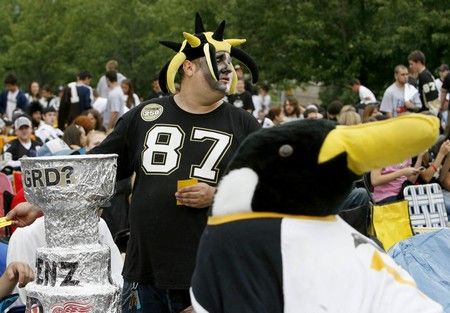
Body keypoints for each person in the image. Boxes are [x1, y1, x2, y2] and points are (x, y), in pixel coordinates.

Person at [3, 14, 261, 313]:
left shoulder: (244, 124)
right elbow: (95, 172)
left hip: (208, 276)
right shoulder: (144, 115)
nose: (229, 69)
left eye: (230, 62)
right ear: (188, 66)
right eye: (219, 61)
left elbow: (269, 190)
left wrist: (216, 194)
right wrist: (43, 205)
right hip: (144, 275)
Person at [407, 50, 440, 115]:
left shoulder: (424, 76)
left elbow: (432, 98)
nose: (410, 67)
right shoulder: (422, 75)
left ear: (418, 62)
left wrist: (430, 114)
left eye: (411, 64)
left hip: (429, 116)